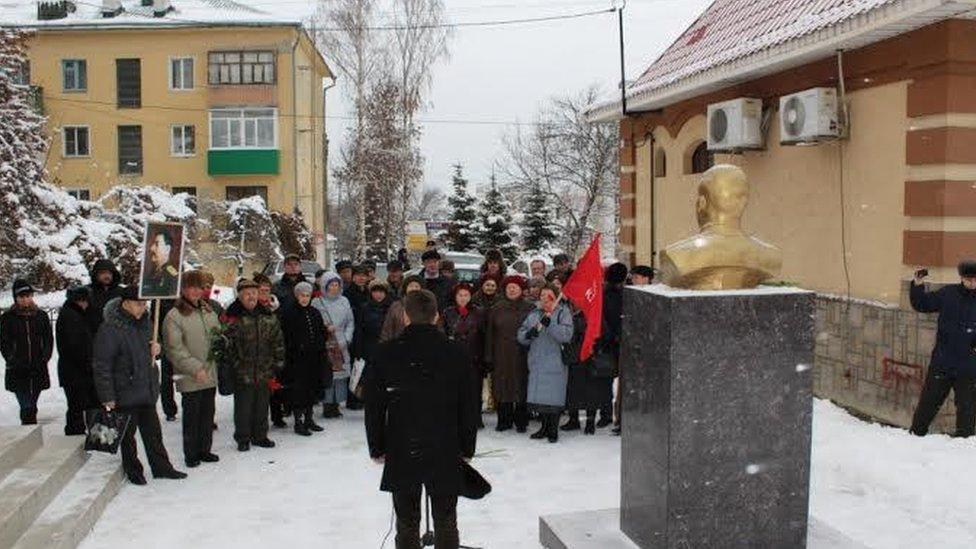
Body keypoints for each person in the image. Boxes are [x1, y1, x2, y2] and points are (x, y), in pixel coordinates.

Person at [365, 289, 479, 549]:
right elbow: (470, 405)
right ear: (437, 316)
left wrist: (377, 445)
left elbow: (373, 407)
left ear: (405, 316)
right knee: (446, 518)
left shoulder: (386, 353)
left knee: (407, 520)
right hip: (444, 443)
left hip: (403, 443)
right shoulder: (456, 352)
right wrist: (467, 445)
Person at [92, 286, 186, 484]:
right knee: (128, 437)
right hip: (124, 391)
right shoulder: (110, 329)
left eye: (144, 304)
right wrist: (107, 396)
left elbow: (153, 349)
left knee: (154, 434)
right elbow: (102, 365)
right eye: (138, 304)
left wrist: (157, 349)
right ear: (125, 303)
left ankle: (162, 467)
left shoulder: (146, 323)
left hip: (146, 389)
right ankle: (133, 471)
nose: (142, 308)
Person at [909, 261, 976, 438]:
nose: (972, 283)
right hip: (942, 363)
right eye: (969, 279)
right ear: (962, 278)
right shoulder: (949, 294)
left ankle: (963, 446)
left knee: (967, 411)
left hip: (969, 367)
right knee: (927, 405)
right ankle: (914, 438)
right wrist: (917, 284)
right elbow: (922, 304)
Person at [162, 271, 221, 468]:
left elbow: (216, 334)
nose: (197, 291)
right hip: (190, 374)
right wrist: (195, 368)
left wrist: (221, 344)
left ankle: (205, 449)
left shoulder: (208, 311)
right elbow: (174, 349)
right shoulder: (174, 315)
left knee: (207, 413)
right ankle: (191, 453)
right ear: (184, 289)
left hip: (209, 370)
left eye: (200, 287)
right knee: (192, 415)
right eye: (192, 287)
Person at [224, 279, 285, 451]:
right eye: (247, 293)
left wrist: (278, 362)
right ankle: (243, 437)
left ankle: (260, 435)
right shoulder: (232, 316)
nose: (251, 296)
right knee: (243, 406)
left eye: (254, 293)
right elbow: (226, 345)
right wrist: (235, 364)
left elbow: (277, 340)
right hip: (243, 369)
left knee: (261, 405)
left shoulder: (267, 315)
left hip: (264, 368)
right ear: (240, 296)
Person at [518, 284, 574, 443]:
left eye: (549, 296)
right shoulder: (534, 314)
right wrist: (528, 334)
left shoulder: (563, 313)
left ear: (555, 297)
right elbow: (521, 335)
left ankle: (553, 429)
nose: (544, 299)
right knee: (540, 397)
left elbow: (566, 335)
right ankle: (543, 427)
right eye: (542, 296)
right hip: (537, 360)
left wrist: (551, 325)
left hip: (555, 361)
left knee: (553, 397)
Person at [484, 276, 534, 432]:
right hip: (501, 354)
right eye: (509, 287)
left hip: (523, 354)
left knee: (521, 385)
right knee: (502, 386)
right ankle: (504, 420)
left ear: (521, 290)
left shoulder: (530, 308)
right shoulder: (496, 308)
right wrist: (489, 356)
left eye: (515, 287)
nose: (512, 290)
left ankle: (521, 420)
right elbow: (489, 335)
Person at [2, 280, 52, 426]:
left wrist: (45, 356)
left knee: (33, 403)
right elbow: (4, 342)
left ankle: (30, 430)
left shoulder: (41, 316)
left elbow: (48, 338)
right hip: (18, 368)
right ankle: (29, 431)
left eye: (28, 296)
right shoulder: (8, 318)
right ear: (15, 298)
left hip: (37, 366)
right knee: (26, 406)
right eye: (21, 296)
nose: (25, 299)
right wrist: (12, 359)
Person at [282, 282, 328, 436]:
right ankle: (298, 421)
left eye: (307, 296)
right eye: (302, 295)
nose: (304, 299)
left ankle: (309, 418)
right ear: (296, 296)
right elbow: (287, 336)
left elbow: (321, 333)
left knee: (311, 389)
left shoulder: (315, 312)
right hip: (298, 360)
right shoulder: (290, 313)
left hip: (314, 358)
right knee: (299, 391)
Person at [443, 283, 486, 429]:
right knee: (456, 390)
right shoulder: (448, 312)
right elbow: (444, 332)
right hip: (454, 357)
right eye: (460, 295)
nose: (463, 298)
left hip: (474, 356)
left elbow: (484, 334)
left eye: (466, 295)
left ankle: (475, 418)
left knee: (474, 389)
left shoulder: (479, 312)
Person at [57, 286, 98, 435]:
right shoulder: (71, 316)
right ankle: (76, 434)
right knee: (77, 405)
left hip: (76, 370)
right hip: (75, 371)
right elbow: (75, 346)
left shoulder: (77, 315)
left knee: (79, 404)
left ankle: (82, 433)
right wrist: (88, 363)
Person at [314, 272, 355, 417]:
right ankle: (327, 404)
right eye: (331, 285)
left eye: (336, 285)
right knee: (327, 374)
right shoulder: (317, 302)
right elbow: (314, 323)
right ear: (325, 286)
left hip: (341, 342)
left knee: (340, 376)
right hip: (326, 342)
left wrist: (347, 338)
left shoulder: (344, 301)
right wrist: (324, 330)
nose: (334, 288)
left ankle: (337, 404)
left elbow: (350, 321)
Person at [255, 272, 287, 428]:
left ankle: (277, 415)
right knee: (259, 392)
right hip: (257, 356)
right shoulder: (251, 308)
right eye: (261, 291)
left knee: (276, 387)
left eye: (267, 290)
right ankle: (258, 422)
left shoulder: (276, 308)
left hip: (274, 353)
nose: (264, 294)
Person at [355, 281, 393, 387]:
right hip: (369, 347)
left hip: (387, 346)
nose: (378, 295)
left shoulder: (391, 307)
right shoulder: (364, 307)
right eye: (375, 292)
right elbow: (359, 329)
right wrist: (358, 349)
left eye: (381, 292)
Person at [382, 275, 424, 343]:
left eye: (416, 286)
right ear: (406, 288)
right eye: (411, 286)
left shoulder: (427, 306)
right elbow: (387, 329)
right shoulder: (396, 306)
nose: (413, 289)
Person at [87, 258, 124, 331]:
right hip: (93, 335)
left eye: (109, 273)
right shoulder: (87, 292)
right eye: (103, 273)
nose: (107, 276)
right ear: (96, 274)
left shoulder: (121, 292)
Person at [142, 231, 179, 297]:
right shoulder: (152, 271)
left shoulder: (171, 275)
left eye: (157, 244)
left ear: (167, 249)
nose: (151, 248)